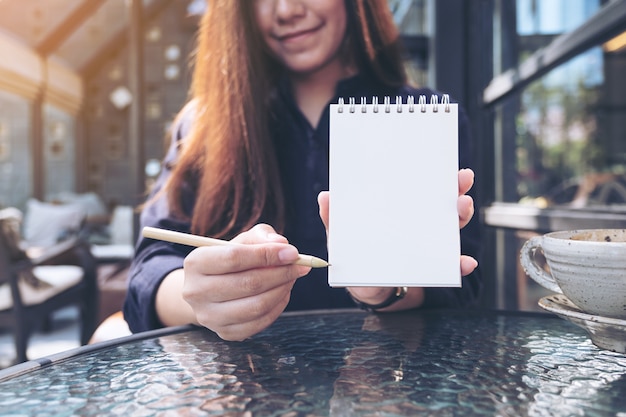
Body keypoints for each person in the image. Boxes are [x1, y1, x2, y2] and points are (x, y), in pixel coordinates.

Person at [123, 0, 482, 341]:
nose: (287, 11)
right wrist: (199, 298)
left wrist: (387, 289)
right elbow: (150, 268)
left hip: (388, 386)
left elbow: (463, 283)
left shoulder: (422, 116)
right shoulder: (203, 125)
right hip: (243, 389)